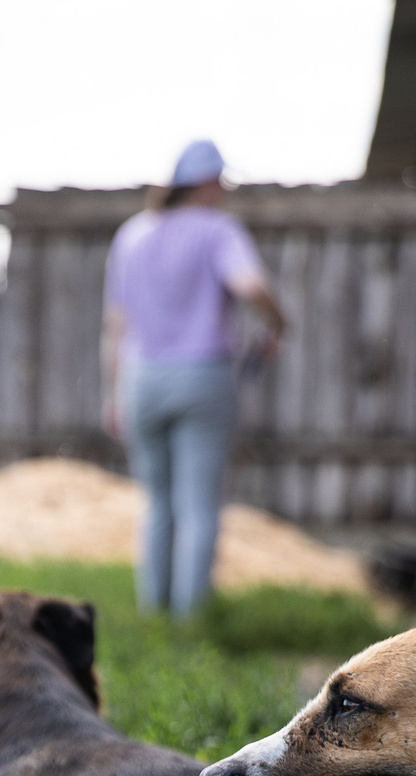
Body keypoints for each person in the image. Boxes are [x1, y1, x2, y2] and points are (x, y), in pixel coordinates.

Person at [102, 139, 287, 618]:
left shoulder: (132, 235)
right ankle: (190, 620)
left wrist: (113, 395)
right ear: (205, 182)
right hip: (202, 376)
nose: (224, 190)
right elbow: (248, 284)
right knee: (199, 505)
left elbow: (115, 328)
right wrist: (277, 320)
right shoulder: (218, 230)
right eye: (221, 180)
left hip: (141, 379)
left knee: (158, 504)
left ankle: (153, 614)